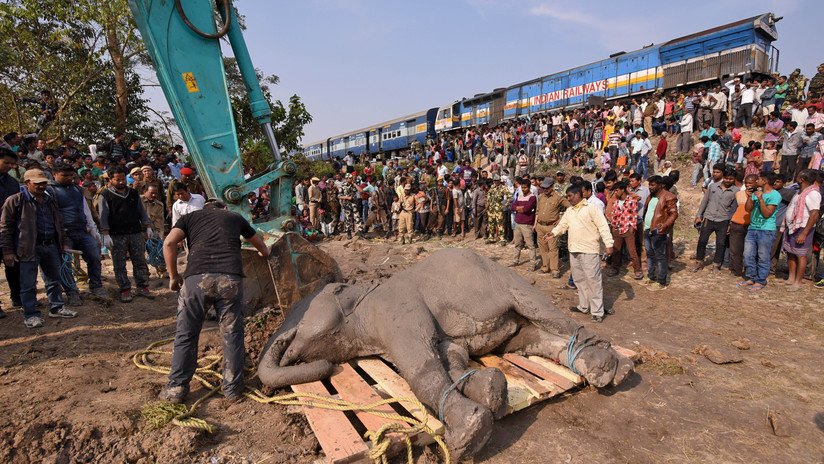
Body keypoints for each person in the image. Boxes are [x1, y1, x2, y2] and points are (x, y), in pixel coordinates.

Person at [158, 200, 270, 404]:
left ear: (205, 209)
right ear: (224, 209)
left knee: (187, 334)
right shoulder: (235, 217)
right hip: (230, 280)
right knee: (232, 334)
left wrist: (173, 276)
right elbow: (262, 246)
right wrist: (265, 254)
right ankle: (233, 389)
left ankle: (176, 388)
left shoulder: (189, 218)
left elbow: (168, 243)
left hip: (196, 281)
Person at [1, 169, 78, 328]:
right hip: (28, 247)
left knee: (54, 279)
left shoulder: (50, 199)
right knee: (28, 283)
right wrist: (7, 251)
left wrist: (62, 243)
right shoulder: (15, 201)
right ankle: (31, 314)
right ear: (27, 183)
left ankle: (57, 307)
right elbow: (5, 228)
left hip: (50, 245)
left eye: (44, 183)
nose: (42, 186)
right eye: (38, 184)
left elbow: (59, 222)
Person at [550, 185, 614, 322]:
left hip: (589, 250)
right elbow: (563, 225)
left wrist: (609, 244)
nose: (569, 199)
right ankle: (584, 306)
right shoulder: (570, 211)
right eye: (567, 196)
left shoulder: (591, 208)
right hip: (574, 250)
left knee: (593, 281)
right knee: (579, 280)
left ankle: (597, 311)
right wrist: (553, 233)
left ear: (578, 195)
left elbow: (603, 226)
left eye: (570, 196)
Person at [48, 163, 107, 304]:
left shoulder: (77, 189)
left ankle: (96, 285)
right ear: (54, 174)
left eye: (71, 175)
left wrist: (93, 231)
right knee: (66, 264)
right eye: (65, 175)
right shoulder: (50, 191)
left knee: (94, 256)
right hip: (64, 234)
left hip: (82, 230)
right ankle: (71, 292)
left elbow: (86, 211)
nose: (69, 178)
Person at [98, 167, 155, 302]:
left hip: (135, 232)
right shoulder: (105, 195)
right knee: (119, 263)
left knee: (140, 260)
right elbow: (103, 215)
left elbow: (141, 210)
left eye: (123, 179)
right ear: (111, 180)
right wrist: (105, 234)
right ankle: (125, 289)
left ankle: (142, 286)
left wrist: (147, 226)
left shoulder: (133, 193)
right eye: (117, 180)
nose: (121, 182)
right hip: (117, 234)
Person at [739, 172, 781, 291]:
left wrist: (761, 199)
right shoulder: (756, 193)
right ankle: (752, 277)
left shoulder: (775, 195)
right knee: (747, 254)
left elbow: (767, 214)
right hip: (753, 228)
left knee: (763, 256)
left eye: (758, 180)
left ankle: (761, 280)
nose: (756, 181)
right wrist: (750, 196)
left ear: (765, 181)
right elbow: (748, 209)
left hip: (766, 230)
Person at [691, 167, 737, 272]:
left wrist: (730, 223)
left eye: (731, 179)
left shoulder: (736, 191)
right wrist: (699, 215)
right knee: (702, 241)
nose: (728, 181)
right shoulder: (712, 187)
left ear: (734, 179)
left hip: (723, 220)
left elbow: (733, 209)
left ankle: (716, 264)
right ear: (723, 177)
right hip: (709, 218)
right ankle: (699, 262)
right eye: (726, 178)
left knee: (720, 243)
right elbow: (705, 202)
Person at [782, 170, 821, 291]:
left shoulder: (813, 194)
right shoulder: (800, 192)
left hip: (802, 228)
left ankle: (798, 282)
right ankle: (791, 278)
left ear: (801, 179)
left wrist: (804, 233)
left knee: (801, 255)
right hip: (792, 226)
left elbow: (815, 214)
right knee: (791, 252)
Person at [643, 176, 678, 290]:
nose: (650, 187)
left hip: (658, 231)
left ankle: (661, 281)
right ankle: (651, 276)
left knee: (660, 256)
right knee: (650, 254)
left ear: (660, 185)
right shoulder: (650, 196)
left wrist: (665, 225)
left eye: (653, 185)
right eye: (649, 184)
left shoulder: (669, 197)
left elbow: (674, 214)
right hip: (648, 229)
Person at [605, 180, 642, 279]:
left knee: (632, 251)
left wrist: (631, 228)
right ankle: (615, 268)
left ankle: (637, 270)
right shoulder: (615, 202)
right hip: (617, 229)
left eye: (617, 190)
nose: (615, 192)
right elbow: (613, 215)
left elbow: (633, 215)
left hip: (627, 230)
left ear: (622, 190)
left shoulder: (632, 201)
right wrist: (614, 226)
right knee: (616, 250)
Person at [0, 148, 22, 317]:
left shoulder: (13, 183)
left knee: (14, 265)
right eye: (6, 162)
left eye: (11, 163)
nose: (9, 166)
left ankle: (17, 296)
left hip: (10, 230)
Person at [534, 177, 569, 278]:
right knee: (543, 248)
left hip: (551, 227)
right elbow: (537, 211)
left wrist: (560, 219)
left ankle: (555, 269)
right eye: (543, 187)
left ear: (552, 187)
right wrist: (535, 224)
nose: (545, 190)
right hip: (540, 226)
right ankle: (545, 267)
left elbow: (570, 207)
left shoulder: (558, 197)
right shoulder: (540, 197)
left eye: (547, 188)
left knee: (553, 249)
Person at [510, 178, 537, 268]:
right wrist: (519, 208)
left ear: (529, 187)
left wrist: (518, 207)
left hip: (527, 224)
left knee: (530, 245)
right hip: (518, 222)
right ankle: (515, 260)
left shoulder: (532, 197)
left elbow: (526, 209)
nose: (523, 189)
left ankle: (533, 264)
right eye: (522, 187)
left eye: (525, 188)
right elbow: (512, 206)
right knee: (517, 244)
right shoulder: (520, 195)